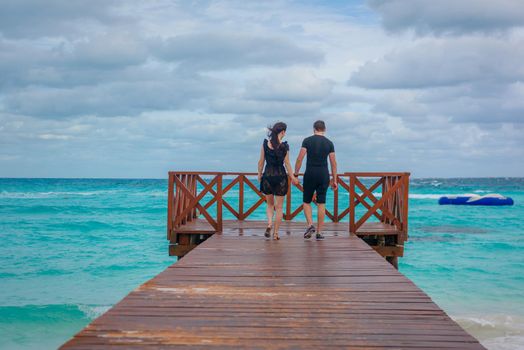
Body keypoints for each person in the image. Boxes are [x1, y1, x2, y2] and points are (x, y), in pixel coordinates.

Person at [294, 120, 337, 240]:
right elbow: (333, 163)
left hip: (310, 173)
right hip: (323, 174)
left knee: (306, 201)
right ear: (324, 129)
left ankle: (310, 225)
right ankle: (319, 232)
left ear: (314, 129)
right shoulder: (329, 143)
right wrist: (335, 179)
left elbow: (299, 159)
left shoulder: (307, 141)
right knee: (321, 203)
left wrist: (296, 174)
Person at [258, 122, 299, 240]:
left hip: (268, 176)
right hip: (281, 177)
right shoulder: (284, 146)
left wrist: (259, 175)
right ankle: (276, 233)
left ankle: (269, 224)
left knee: (270, 205)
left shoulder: (266, 144)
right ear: (283, 132)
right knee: (279, 207)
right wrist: (293, 178)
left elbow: (261, 162)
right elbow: (287, 164)